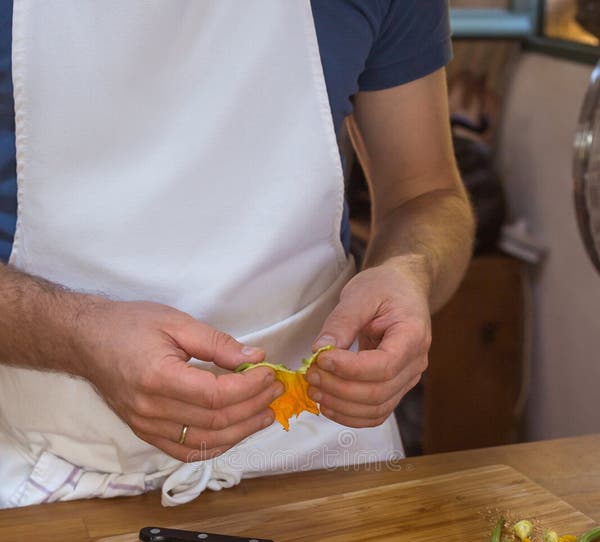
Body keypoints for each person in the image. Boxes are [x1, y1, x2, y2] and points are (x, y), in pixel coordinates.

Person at [0, 0, 474, 508]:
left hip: (320, 459)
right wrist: (76, 335)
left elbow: (424, 195)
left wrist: (409, 270)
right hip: (48, 473)